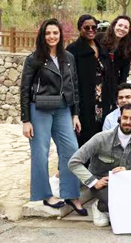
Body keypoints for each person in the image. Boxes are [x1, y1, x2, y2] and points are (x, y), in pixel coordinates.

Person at [20, 19, 84, 213]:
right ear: (42, 35)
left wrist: (75, 114)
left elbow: (74, 86)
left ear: (60, 34)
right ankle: (45, 195)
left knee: (71, 149)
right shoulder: (34, 59)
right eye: (48, 33)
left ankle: (71, 194)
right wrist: (26, 120)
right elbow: (24, 89)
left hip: (63, 108)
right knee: (41, 152)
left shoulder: (68, 57)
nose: (52, 36)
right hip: (40, 107)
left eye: (55, 33)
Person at [68, 104, 131, 227]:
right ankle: (100, 206)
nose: (128, 122)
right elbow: (74, 162)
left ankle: (111, 208)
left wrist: (129, 171)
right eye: (125, 118)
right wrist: (93, 182)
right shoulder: (101, 138)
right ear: (120, 118)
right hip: (103, 183)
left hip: (127, 180)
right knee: (115, 205)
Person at [67, 14, 116, 146]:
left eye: (93, 27)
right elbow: (70, 79)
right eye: (86, 27)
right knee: (84, 137)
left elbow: (110, 75)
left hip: (102, 100)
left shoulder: (102, 49)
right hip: (84, 101)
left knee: (102, 135)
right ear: (79, 29)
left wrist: (113, 98)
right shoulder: (73, 50)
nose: (90, 30)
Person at [99, 15, 131, 84]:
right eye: (120, 25)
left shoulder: (127, 49)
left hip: (113, 84)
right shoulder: (99, 38)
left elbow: (124, 74)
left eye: (126, 27)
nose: (122, 29)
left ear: (128, 31)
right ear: (114, 25)